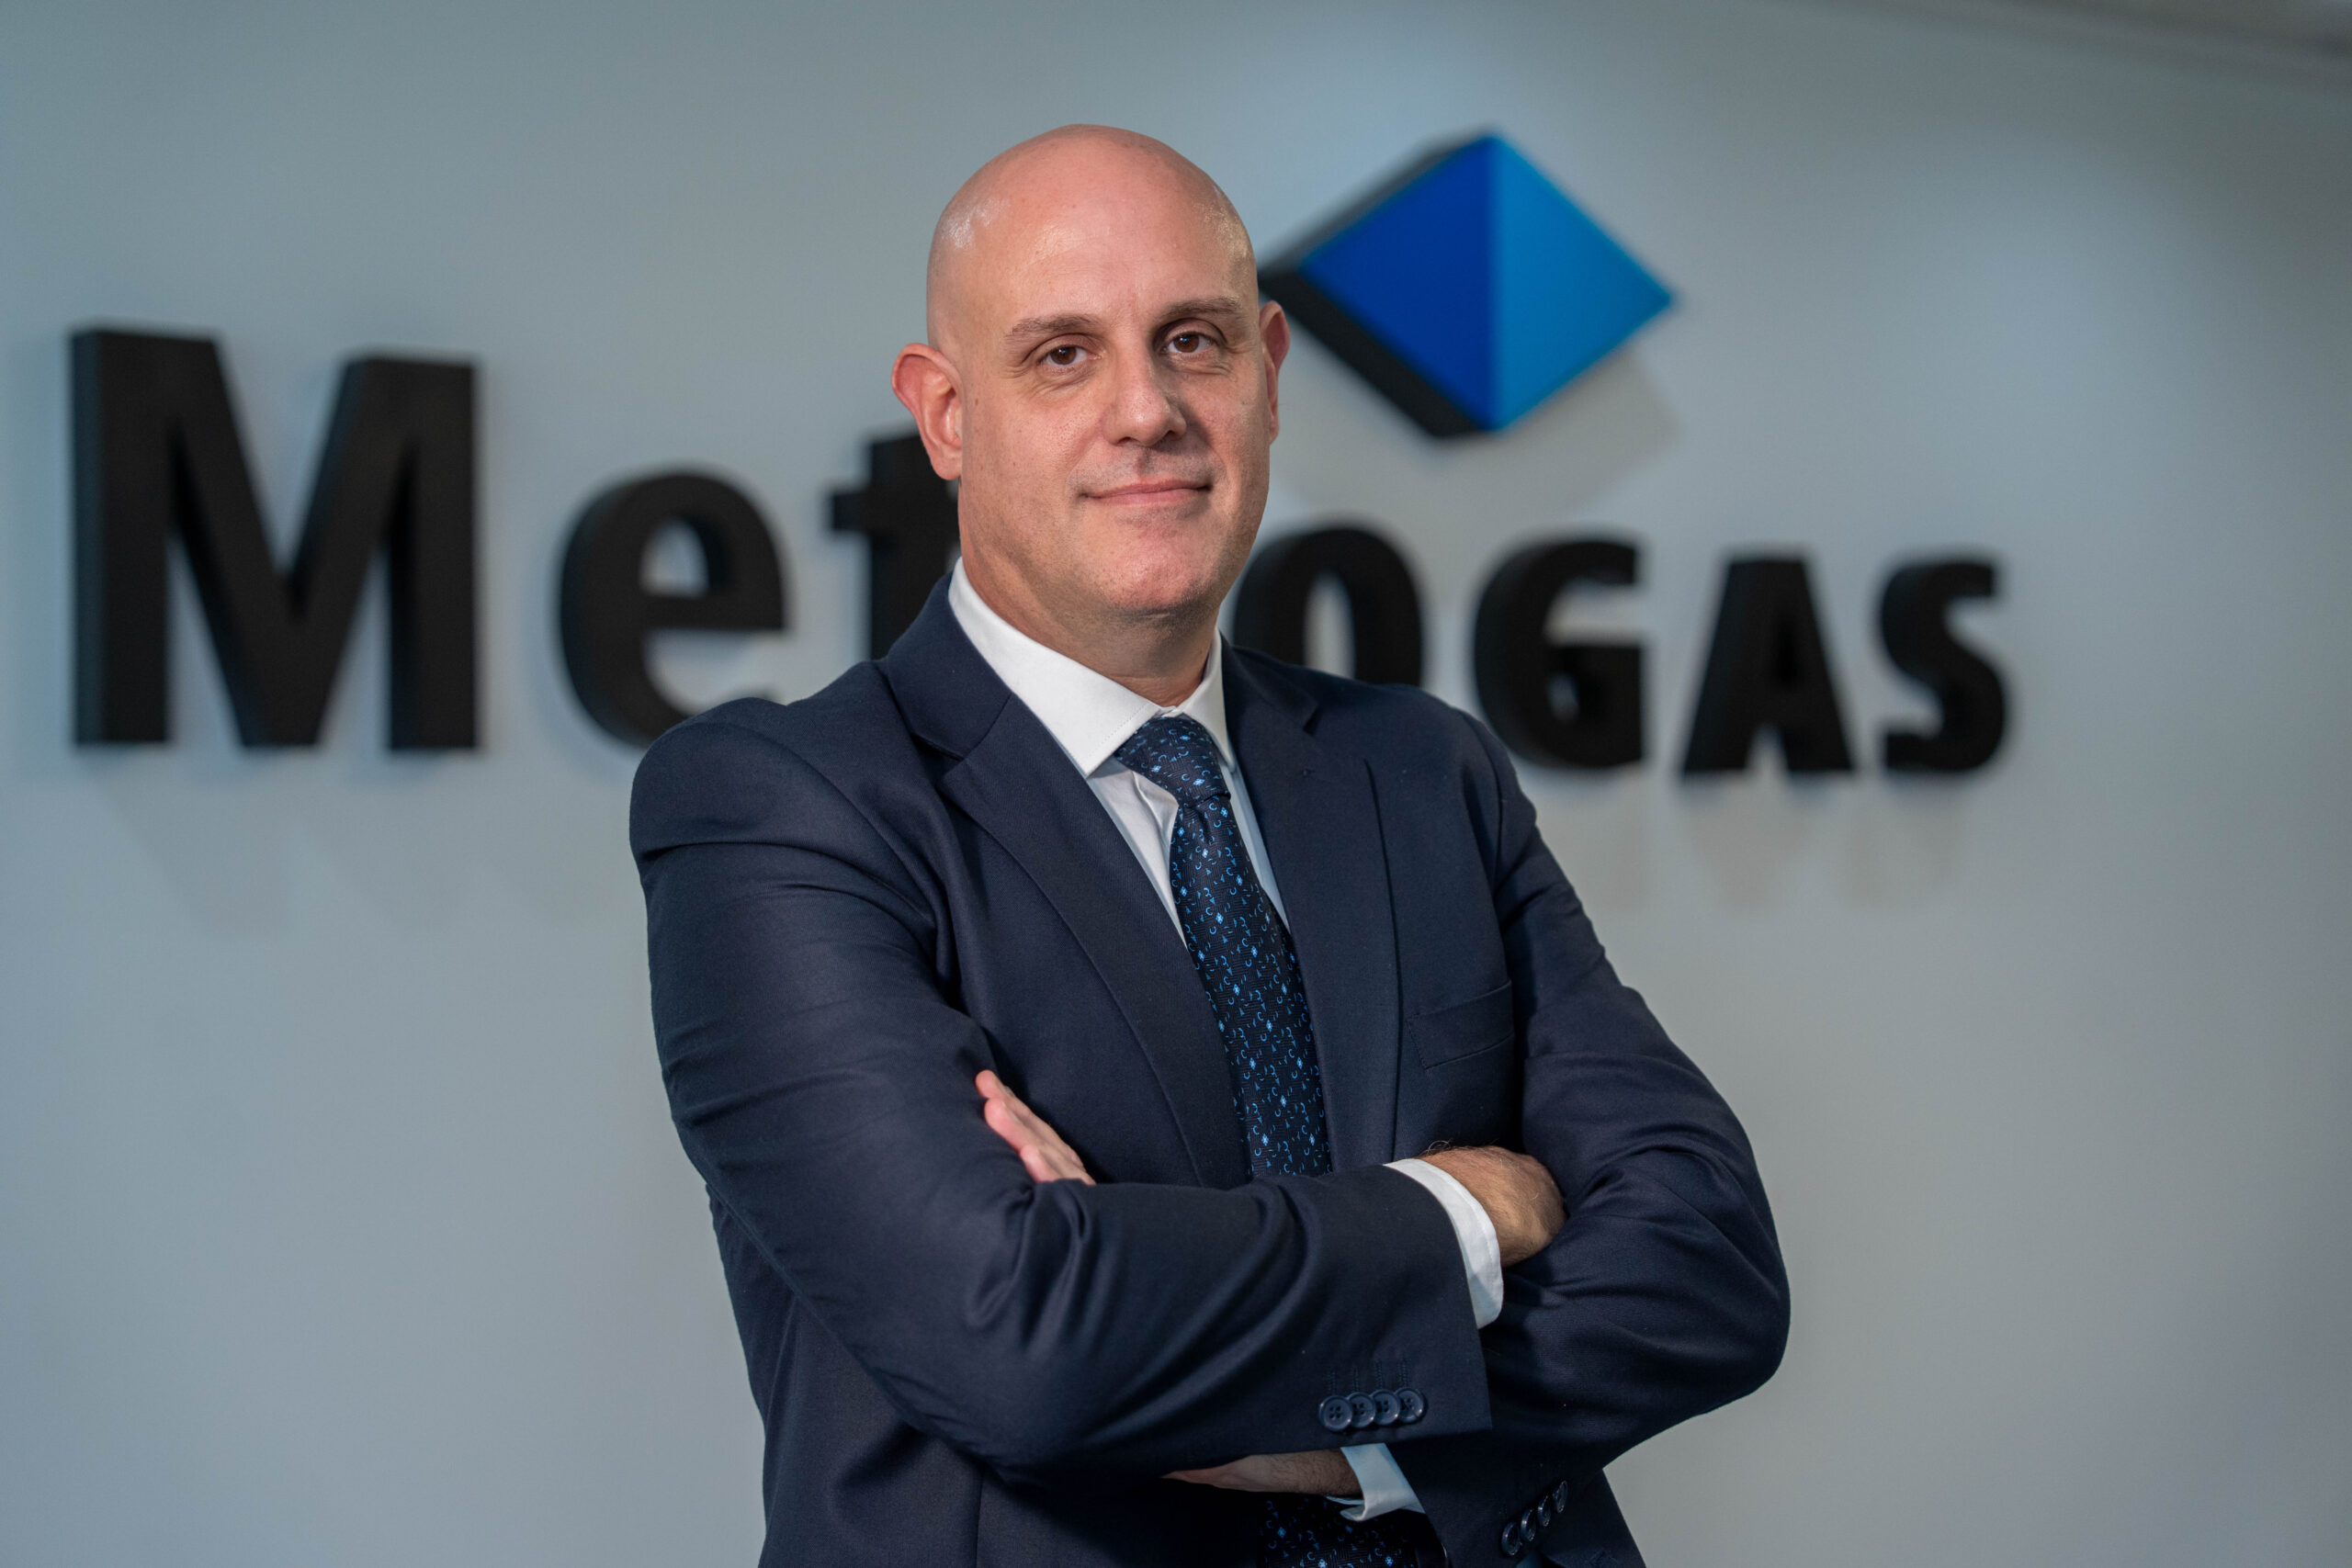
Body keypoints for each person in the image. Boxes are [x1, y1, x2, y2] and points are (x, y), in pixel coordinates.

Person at [630, 125, 1786, 1568]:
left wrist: (1350, 1441)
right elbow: (1022, 1340)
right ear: (946, 415)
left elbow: (1711, 1267)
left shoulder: (1422, 772)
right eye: (1063, 355)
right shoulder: (778, 809)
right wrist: (1469, 1206)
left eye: (1194, 341)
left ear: (1270, 373)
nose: (1148, 411)